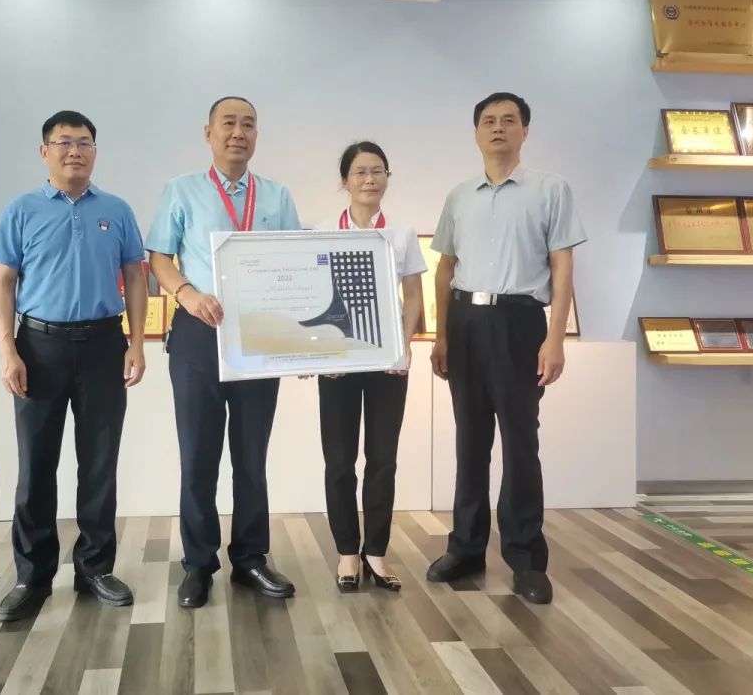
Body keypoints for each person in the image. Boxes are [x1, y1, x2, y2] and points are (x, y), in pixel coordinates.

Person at [426, 92, 586, 605]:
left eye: (508, 120)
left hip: (520, 321)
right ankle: (466, 548)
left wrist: (555, 338)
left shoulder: (550, 189)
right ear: (476, 133)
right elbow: (445, 269)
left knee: (520, 441)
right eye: (489, 121)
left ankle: (526, 558)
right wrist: (442, 334)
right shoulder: (459, 196)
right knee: (470, 440)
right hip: (466, 321)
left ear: (524, 131)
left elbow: (562, 267)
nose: (498, 128)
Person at [0, 110, 147, 621]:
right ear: (45, 152)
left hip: (104, 345)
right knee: (36, 465)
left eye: (84, 143)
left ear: (95, 152)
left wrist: (136, 343)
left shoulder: (116, 210)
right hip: (39, 347)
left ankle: (95, 569)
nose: (74, 151)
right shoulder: (21, 210)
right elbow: (2, 283)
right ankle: (32, 576)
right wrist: (8, 350)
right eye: (63, 142)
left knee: (99, 464)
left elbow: (136, 276)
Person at [146, 96, 301, 609]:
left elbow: (293, 264)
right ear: (208, 133)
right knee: (198, 455)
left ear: (257, 135)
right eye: (228, 123)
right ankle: (198, 563)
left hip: (261, 336)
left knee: (251, 456)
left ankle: (251, 558)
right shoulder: (181, 190)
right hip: (197, 333)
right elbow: (160, 257)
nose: (239, 132)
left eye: (248, 124)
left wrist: (300, 343)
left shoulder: (276, 195)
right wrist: (187, 294)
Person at [315, 142, 425, 593]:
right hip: (338, 361)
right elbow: (311, 298)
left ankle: (375, 551)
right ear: (345, 180)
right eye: (360, 172)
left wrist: (405, 345)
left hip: (387, 362)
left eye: (378, 171)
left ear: (386, 178)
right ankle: (347, 551)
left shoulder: (401, 233)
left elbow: (414, 295)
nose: (369, 179)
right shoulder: (323, 231)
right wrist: (320, 354)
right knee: (340, 460)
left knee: (382, 459)